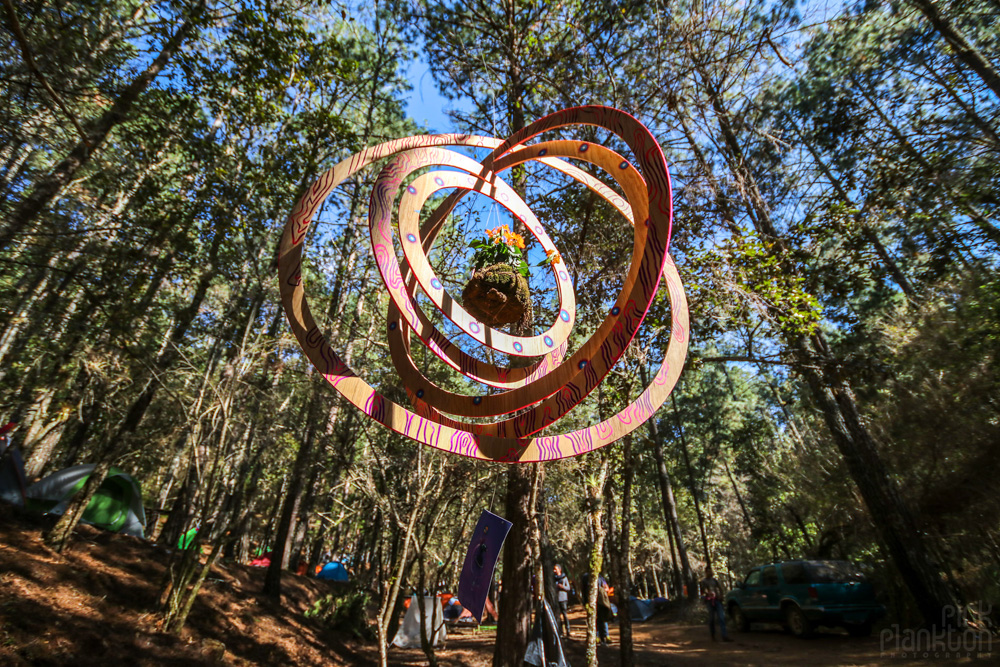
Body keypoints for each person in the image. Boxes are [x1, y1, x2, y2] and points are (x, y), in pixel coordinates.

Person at [700, 566, 733, 642]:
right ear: (706, 572)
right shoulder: (704, 581)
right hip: (709, 601)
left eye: (710, 571)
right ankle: (713, 635)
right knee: (712, 619)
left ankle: (724, 636)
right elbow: (703, 590)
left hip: (717, 600)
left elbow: (720, 588)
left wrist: (721, 595)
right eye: (708, 571)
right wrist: (708, 593)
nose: (710, 572)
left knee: (721, 617)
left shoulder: (715, 580)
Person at [554, 564, 572, 637]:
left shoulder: (564, 578)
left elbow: (568, 588)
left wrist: (562, 587)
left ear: (559, 569)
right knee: (558, 616)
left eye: (556, 569)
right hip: (556, 599)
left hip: (563, 599)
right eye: (554, 569)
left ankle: (568, 630)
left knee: (564, 615)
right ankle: (560, 631)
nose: (554, 571)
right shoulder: (553, 578)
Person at [596, 575, 613, 645]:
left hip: (602, 602)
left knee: (604, 620)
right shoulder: (590, 577)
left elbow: (607, 588)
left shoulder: (601, 578)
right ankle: (597, 636)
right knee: (596, 620)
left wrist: (603, 589)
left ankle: (607, 636)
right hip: (595, 602)